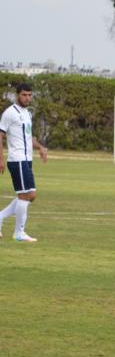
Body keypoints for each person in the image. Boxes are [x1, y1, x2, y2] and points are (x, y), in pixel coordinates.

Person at [0, 83, 48, 242]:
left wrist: (40, 147)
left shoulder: (27, 113)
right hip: (17, 159)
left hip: (27, 160)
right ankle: (19, 233)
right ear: (17, 95)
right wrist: (1, 158)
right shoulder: (10, 113)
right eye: (24, 95)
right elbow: (0, 136)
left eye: (29, 95)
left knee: (31, 195)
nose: (27, 98)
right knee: (24, 195)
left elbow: (29, 137)